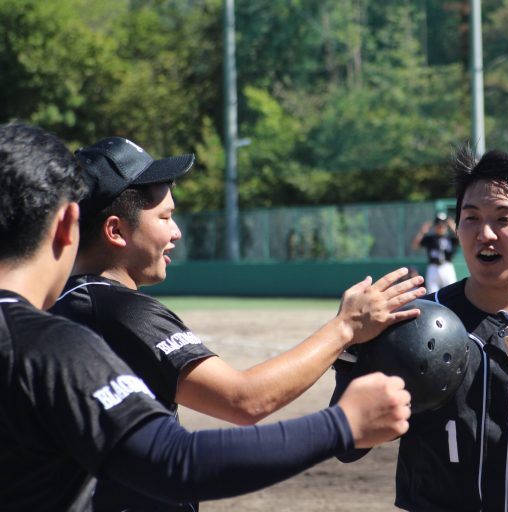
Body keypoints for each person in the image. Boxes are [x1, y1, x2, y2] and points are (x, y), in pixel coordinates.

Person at [0, 122, 412, 511]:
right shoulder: (102, 316)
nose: (176, 231)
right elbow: (241, 402)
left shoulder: (59, 310)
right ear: (108, 230)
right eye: (165, 217)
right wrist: (345, 334)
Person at [333, 148, 508, 511]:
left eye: (504, 219)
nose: (485, 233)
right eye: (471, 218)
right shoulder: (413, 320)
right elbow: (347, 448)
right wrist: (350, 353)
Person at [411, 211, 459, 293]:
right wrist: (422, 232)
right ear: (435, 226)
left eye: (443, 225)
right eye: (438, 225)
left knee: (453, 291)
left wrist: (453, 226)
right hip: (433, 267)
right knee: (432, 292)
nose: (441, 227)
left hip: (447, 267)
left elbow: (462, 239)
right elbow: (414, 246)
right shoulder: (430, 238)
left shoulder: (451, 238)